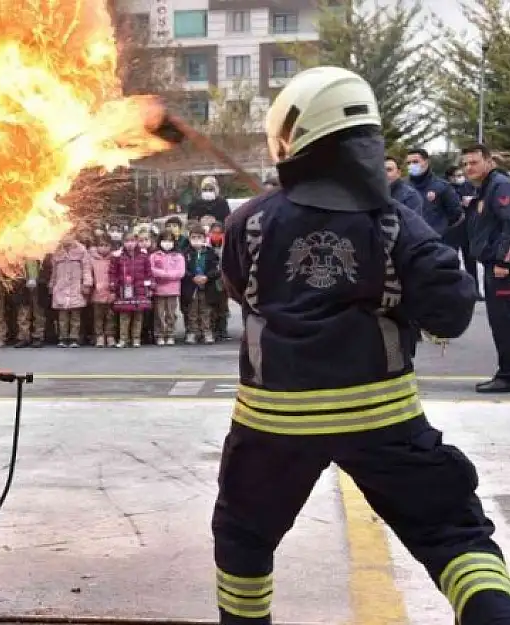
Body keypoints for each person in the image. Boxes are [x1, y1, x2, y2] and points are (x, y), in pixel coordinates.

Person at [217, 66, 510, 625]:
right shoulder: (396, 223)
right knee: (453, 533)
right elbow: (451, 309)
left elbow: (241, 290)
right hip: (382, 419)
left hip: (273, 423)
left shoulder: (249, 222)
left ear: (293, 137)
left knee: (243, 539)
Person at [461, 144, 510, 394]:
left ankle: (507, 375)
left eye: (474, 162)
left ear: (489, 162)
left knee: (503, 323)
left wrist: (504, 262)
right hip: (493, 265)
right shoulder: (485, 188)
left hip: (502, 270)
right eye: (465, 164)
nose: (469, 168)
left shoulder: (499, 185)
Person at [406, 147, 464, 237]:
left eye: (415, 162)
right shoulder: (404, 187)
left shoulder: (442, 186)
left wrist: (441, 229)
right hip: (410, 242)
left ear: (426, 162)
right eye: (408, 163)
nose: (411, 166)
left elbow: (456, 214)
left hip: (436, 241)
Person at [49, 234, 92, 348]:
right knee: (62, 316)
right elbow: (54, 271)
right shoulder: (57, 251)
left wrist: (87, 283)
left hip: (76, 287)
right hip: (61, 287)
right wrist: (52, 284)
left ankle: (74, 338)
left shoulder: (81, 250)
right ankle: (62, 337)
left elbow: (86, 268)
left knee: (75, 316)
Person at [109, 232, 152, 348]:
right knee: (124, 316)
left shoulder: (143, 256)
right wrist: (113, 287)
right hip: (124, 290)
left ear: (137, 242)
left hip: (140, 289)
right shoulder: (117, 256)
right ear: (123, 242)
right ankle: (123, 339)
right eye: (127, 241)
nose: (130, 244)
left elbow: (149, 273)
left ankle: (136, 339)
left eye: (132, 241)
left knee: (138, 316)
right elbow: (112, 273)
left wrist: (149, 287)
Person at [446, 164, 481, 295]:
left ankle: (475, 290)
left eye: (461, 175)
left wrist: (472, 200)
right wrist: (460, 202)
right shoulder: (447, 189)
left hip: (468, 229)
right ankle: (454, 290)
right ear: (450, 178)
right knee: (452, 260)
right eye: (457, 176)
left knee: (471, 261)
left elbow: (477, 198)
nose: (460, 178)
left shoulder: (468, 185)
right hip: (453, 229)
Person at [182, 224, 220, 345]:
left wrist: (207, 277)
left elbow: (216, 269)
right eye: (193, 237)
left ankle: (207, 331)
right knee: (192, 310)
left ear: (204, 238)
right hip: (191, 286)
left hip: (206, 285)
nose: (196, 240)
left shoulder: (211, 253)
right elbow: (183, 269)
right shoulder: (186, 253)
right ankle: (193, 332)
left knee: (206, 310)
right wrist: (192, 277)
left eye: (199, 237)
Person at [150, 229, 185, 345]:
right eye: (165, 240)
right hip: (158, 290)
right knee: (159, 314)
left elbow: (180, 272)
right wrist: (165, 274)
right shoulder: (154, 256)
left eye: (170, 241)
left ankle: (170, 334)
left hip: (172, 290)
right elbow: (151, 270)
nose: (167, 243)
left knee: (171, 313)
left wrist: (166, 275)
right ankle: (159, 334)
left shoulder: (178, 256)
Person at [88, 237, 116, 347]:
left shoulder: (113, 259)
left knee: (110, 316)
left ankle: (110, 336)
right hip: (96, 291)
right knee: (98, 316)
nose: (103, 248)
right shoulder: (92, 259)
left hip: (110, 291)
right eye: (101, 245)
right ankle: (99, 336)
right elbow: (89, 274)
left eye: (106, 245)